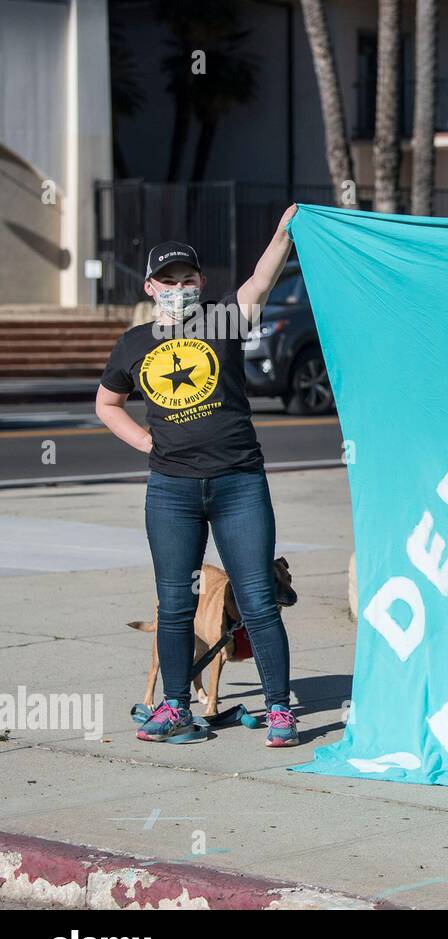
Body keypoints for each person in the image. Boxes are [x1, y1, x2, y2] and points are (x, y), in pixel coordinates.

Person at [96, 206, 301, 747]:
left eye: (188, 280)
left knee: (257, 598)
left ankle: (279, 709)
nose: (179, 288)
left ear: (201, 283)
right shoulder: (134, 343)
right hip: (172, 491)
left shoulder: (222, 320)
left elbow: (260, 281)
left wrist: (281, 233)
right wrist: (144, 441)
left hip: (239, 484)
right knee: (175, 602)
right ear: (150, 286)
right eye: (168, 281)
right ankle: (174, 707)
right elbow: (107, 403)